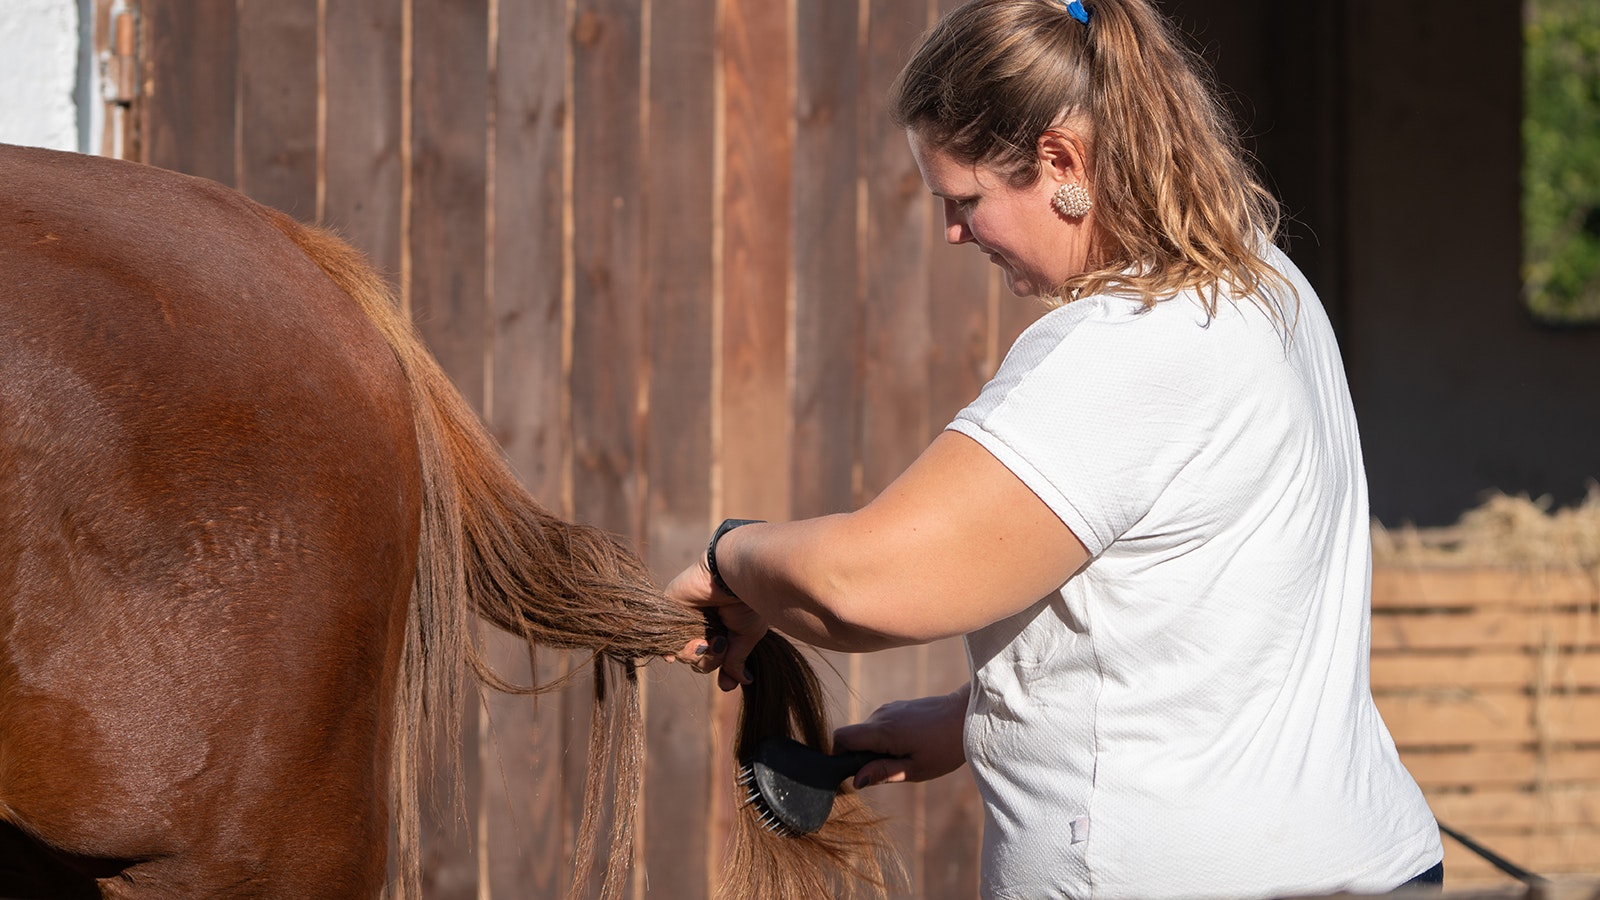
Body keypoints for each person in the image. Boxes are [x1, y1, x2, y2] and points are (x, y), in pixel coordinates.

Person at [664, 0, 1444, 896]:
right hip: (1354, 857)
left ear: (1061, 161)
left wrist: (733, 553)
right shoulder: (1265, 281)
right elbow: (1208, 613)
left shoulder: (1130, 343)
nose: (954, 232)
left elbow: (860, 588)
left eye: (966, 200)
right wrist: (975, 719)